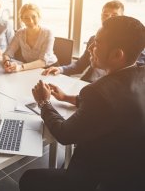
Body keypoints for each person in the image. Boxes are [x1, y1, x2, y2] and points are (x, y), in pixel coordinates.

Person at [19, 16, 145, 191]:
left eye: (97, 43)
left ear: (117, 54)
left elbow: (64, 134)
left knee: (28, 178)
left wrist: (44, 102)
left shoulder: (97, 92)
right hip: (132, 173)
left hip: (99, 179)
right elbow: (114, 105)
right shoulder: (140, 72)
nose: (91, 47)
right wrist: (66, 97)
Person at [42, 0, 124, 82]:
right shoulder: (93, 39)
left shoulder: (127, 44)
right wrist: (60, 69)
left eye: (114, 16)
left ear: (122, 18)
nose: (108, 19)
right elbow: (80, 65)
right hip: (88, 83)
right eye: (105, 15)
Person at [2, 3, 57, 73]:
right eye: (26, 18)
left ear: (39, 17)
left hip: (50, 69)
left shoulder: (48, 33)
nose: (30, 21)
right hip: (30, 69)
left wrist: (20, 67)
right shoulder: (19, 33)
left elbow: (43, 61)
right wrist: (6, 61)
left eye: (34, 17)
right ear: (22, 19)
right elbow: (7, 53)